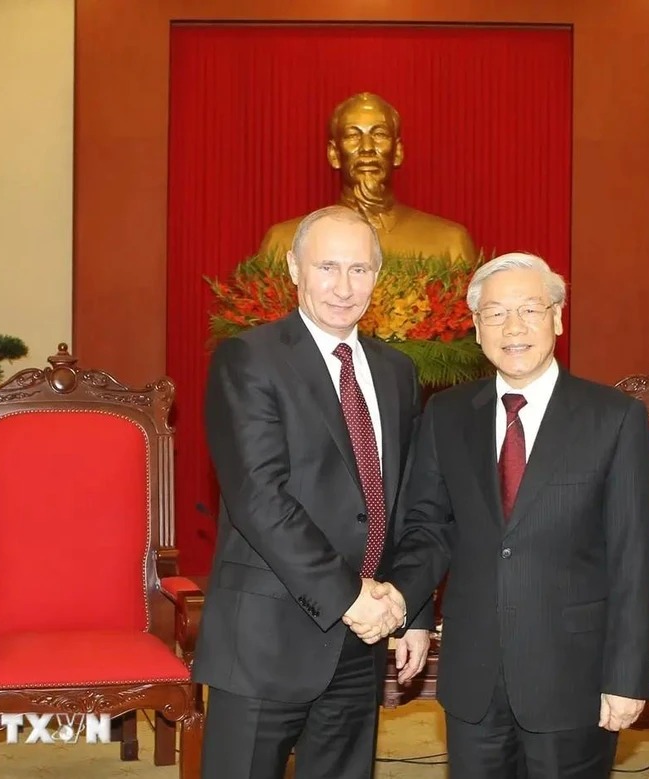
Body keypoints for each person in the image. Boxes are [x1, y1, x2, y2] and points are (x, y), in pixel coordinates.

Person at [359, 253, 649, 778]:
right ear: (477, 329)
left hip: (574, 673)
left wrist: (627, 675)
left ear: (558, 318)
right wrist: (415, 613)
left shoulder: (613, 419)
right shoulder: (448, 415)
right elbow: (426, 526)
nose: (514, 327)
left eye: (529, 309)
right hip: (472, 671)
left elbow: (636, 557)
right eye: (496, 314)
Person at [193, 205, 433, 779]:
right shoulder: (249, 359)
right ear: (294, 269)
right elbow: (260, 498)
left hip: (365, 636)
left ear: (378, 276)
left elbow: (406, 500)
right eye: (327, 266)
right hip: (268, 638)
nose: (344, 287)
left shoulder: (397, 371)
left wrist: (413, 609)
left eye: (359, 269)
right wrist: (349, 596)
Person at [258, 92, 476, 263]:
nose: (367, 148)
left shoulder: (449, 243)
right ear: (334, 154)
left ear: (398, 152)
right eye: (353, 135)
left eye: (379, 135)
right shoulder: (284, 243)